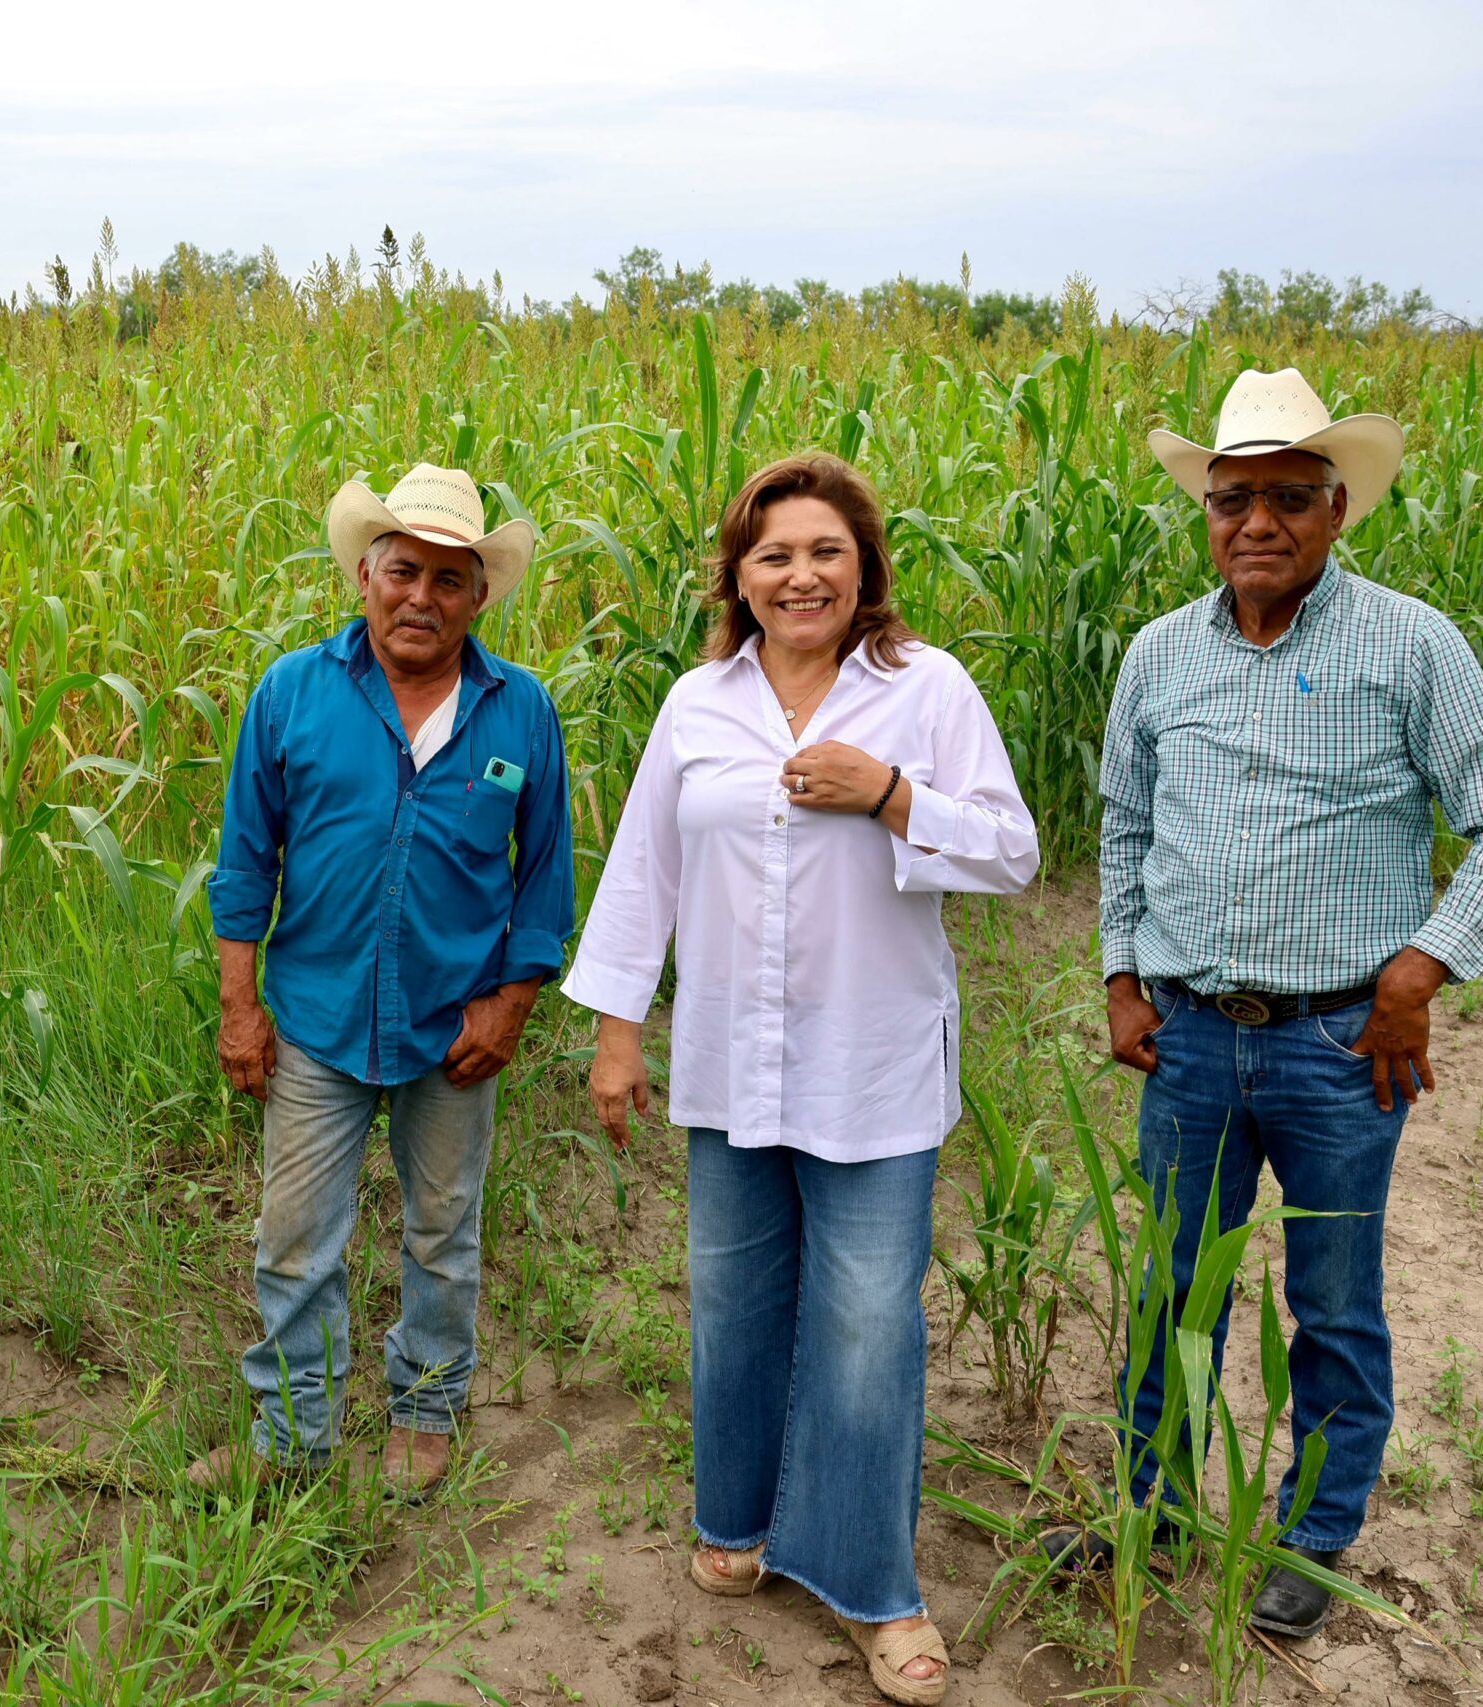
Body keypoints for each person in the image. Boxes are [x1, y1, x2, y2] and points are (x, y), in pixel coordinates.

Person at [1041, 367, 1483, 1638]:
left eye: (1284, 497)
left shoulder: (1410, 644)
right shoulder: (1160, 655)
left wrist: (1417, 969)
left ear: (1336, 510)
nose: (1254, 522)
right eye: (1231, 501)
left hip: (1339, 1044)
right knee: (1171, 1289)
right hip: (1192, 1039)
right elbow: (1125, 828)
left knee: (1328, 1298)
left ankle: (1314, 1537)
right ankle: (1144, 1507)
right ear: (1205, 515)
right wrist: (1119, 974)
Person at [566, 454, 1037, 1706]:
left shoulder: (923, 690)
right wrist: (619, 1034)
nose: (799, 575)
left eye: (824, 551)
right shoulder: (696, 703)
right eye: (772, 556)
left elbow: (1010, 853)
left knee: (867, 1320)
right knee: (732, 1299)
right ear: (740, 578)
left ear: (864, 566)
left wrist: (887, 794)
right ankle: (739, 1517)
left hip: (871, 1064)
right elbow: (642, 875)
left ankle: (875, 1590)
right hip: (731, 1059)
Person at [193, 463, 576, 1498]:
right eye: (403, 572)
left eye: (449, 580)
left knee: (443, 1236)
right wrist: (240, 1010)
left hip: (454, 1030)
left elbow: (543, 878)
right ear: (365, 574)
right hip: (317, 1021)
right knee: (292, 1243)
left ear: (478, 596)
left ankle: (426, 1409)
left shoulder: (520, 712)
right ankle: (292, 1437)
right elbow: (244, 866)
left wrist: (510, 1005)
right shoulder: (293, 693)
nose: (422, 598)